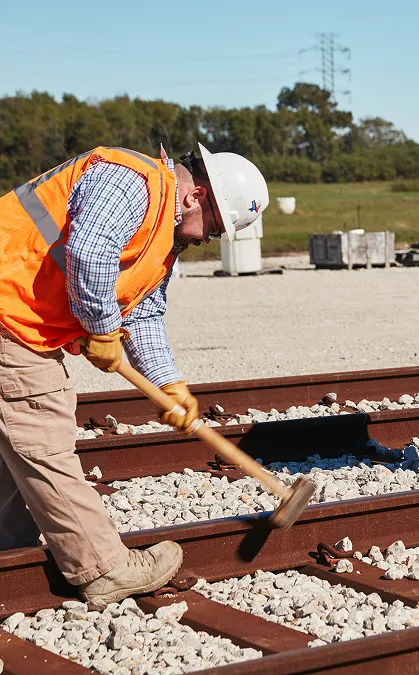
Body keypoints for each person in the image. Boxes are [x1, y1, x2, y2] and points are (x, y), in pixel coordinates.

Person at [0, 143, 269, 607]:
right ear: (195, 196)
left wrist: (168, 382)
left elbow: (143, 315)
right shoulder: (132, 180)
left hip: (17, 318)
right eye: (215, 227)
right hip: (10, 315)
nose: (209, 239)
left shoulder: (164, 233)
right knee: (41, 433)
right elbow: (88, 250)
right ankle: (103, 568)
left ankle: (10, 549)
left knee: (13, 449)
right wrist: (101, 330)